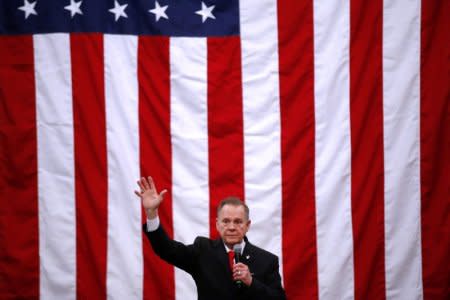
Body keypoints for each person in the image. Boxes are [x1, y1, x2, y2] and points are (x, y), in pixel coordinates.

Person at [136, 176, 286, 300]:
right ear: (217, 224)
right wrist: (151, 214)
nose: (232, 227)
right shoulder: (203, 250)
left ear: (247, 225)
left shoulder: (267, 261)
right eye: (226, 221)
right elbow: (166, 249)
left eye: (238, 221)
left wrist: (251, 282)